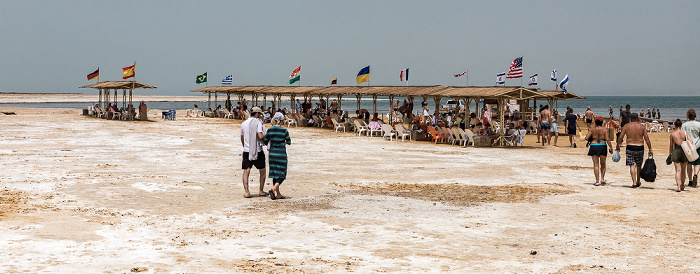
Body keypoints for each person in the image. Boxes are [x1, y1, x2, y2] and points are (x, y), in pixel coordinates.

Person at [616, 113, 653, 188]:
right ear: (637, 118)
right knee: (639, 165)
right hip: (640, 147)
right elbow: (646, 138)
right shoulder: (642, 127)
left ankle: (634, 182)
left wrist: (617, 146)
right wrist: (650, 149)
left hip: (630, 147)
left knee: (632, 165)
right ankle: (638, 181)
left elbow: (620, 137)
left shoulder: (627, 126)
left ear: (630, 119)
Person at [240, 107, 267, 198]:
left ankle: (247, 192)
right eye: (259, 114)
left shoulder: (244, 123)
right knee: (262, 170)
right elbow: (260, 136)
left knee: (246, 171)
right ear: (256, 114)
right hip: (257, 150)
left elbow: (242, 138)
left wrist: (245, 147)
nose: (260, 116)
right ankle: (261, 191)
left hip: (247, 150)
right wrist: (266, 136)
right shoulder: (258, 123)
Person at [264, 117, 291, 200]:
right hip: (281, 154)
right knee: (282, 173)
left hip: (272, 154)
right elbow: (289, 142)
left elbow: (265, 141)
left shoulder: (270, 130)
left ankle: (278, 194)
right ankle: (273, 188)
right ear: (281, 121)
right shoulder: (284, 131)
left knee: (274, 173)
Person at [586, 116, 613, 186]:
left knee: (596, 164)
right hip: (602, 145)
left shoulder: (592, 129)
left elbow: (586, 138)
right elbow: (607, 139)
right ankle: (602, 179)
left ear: (595, 122)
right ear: (602, 122)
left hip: (594, 146)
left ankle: (597, 181)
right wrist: (611, 147)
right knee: (603, 164)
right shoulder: (604, 129)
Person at [681, 109, 700, 187]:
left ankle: (690, 181)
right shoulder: (699, 124)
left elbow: (682, 136)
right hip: (698, 145)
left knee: (689, 163)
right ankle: (695, 174)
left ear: (688, 116)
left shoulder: (684, 125)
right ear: (695, 115)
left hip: (688, 146)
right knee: (698, 163)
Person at [670, 119, 689, 192]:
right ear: (681, 125)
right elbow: (691, 141)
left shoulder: (672, 134)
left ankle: (678, 186)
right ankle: (683, 184)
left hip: (676, 151)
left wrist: (670, 154)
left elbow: (671, 146)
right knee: (683, 170)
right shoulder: (685, 133)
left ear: (674, 125)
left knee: (678, 170)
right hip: (684, 151)